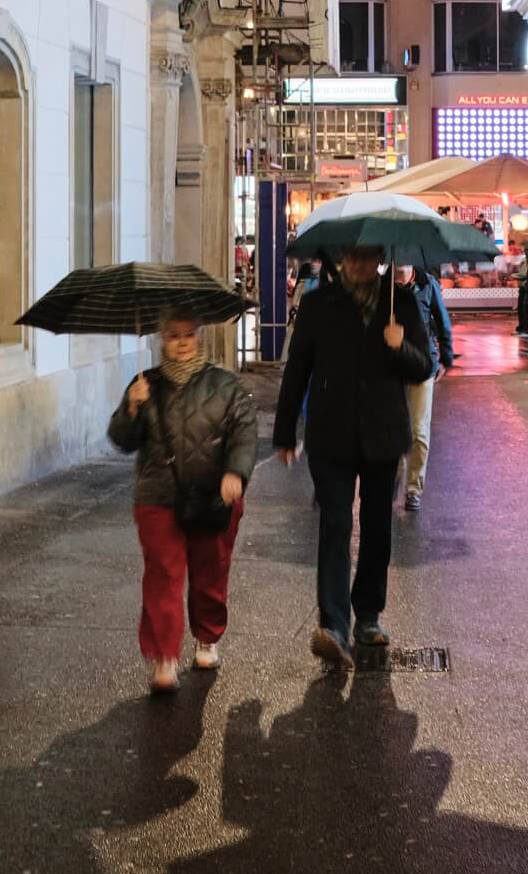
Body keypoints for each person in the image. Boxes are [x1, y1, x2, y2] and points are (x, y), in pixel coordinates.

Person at [273, 248, 431, 670]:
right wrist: (285, 432)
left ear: (379, 257)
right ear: (342, 258)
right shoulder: (317, 304)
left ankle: (368, 616)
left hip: (383, 436)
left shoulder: (401, 302)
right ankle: (334, 627)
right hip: (331, 435)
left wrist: (400, 346)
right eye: (353, 257)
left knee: (377, 528)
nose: (359, 265)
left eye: (367, 257)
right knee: (336, 525)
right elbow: (297, 369)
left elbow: (423, 367)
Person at [108, 312, 258, 693]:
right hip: (158, 495)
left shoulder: (225, 384)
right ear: (162, 339)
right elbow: (123, 439)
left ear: (199, 336)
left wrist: (235, 471)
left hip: (212, 494)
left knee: (210, 571)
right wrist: (131, 408)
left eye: (188, 334)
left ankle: (206, 637)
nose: (182, 343)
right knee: (163, 574)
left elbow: (244, 430)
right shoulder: (145, 384)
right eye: (174, 336)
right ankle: (164, 657)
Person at [394, 263, 454, 513]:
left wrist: (446, 358)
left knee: (419, 431)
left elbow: (442, 320)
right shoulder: (383, 286)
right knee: (395, 429)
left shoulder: (427, 284)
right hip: (392, 368)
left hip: (423, 366)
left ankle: (413, 488)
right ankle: (393, 478)